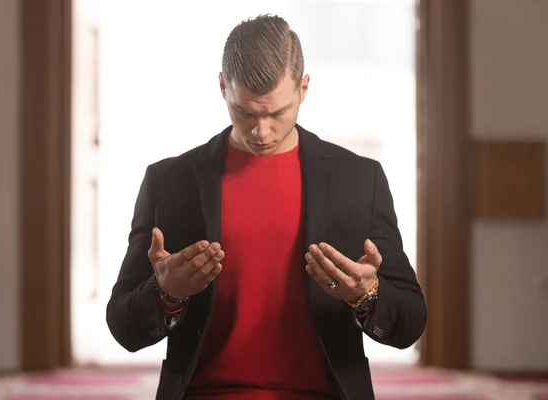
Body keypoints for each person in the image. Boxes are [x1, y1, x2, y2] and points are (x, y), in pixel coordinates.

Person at [106, 14, 427, 400]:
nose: (262, 131)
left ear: (304, 88)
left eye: (277, 113)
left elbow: (410, 323)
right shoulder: (169, 182)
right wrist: (165, 292)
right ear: (223, 86)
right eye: (246, 112)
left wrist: (366, 293)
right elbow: (124, 327)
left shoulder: (359, 180)